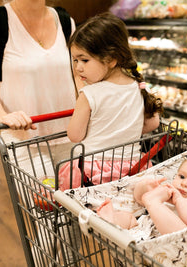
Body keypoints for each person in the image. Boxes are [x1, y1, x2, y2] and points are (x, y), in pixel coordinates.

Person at [58, 12, 163, 191]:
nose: (77, 67)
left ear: (111, 59)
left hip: (93, 174)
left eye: (84, 60)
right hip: (132, 169)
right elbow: (153, 123)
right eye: (75, 60)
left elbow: (75, 135)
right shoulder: (138, 86)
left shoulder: (89, 94)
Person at [0, 0, 77, 178]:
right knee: (42, 203)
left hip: (72, 134)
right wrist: (2, 116)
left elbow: (78, 77)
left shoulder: (65, 21)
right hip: (23, 141)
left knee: (78, 201)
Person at [96, 154, 187, 237]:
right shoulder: (167, 191)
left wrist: (178, 200)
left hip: (169, 240)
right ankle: (111, 221)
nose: (185, 183)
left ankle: (153, 204)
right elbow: (139, 199)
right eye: (182, 176)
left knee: (184, 233)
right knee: (128, 217)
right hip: (142, 229)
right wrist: (146, 186)